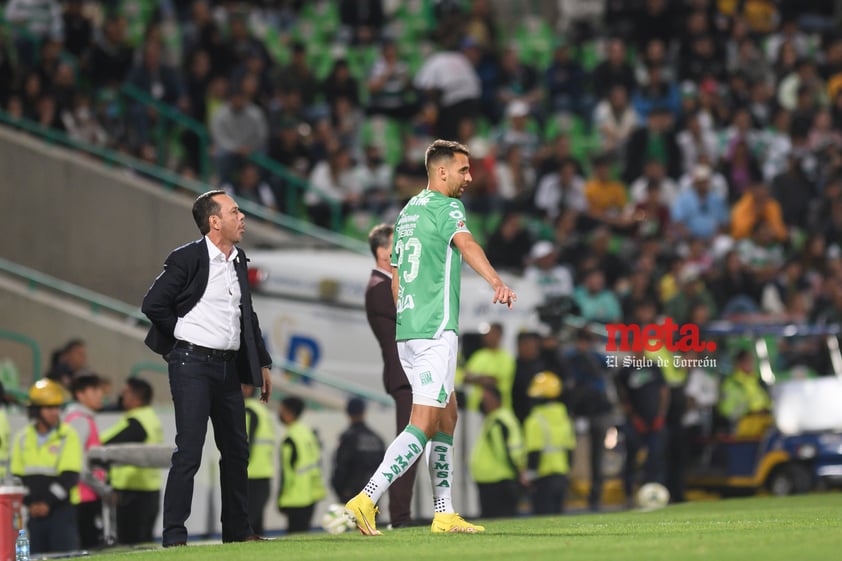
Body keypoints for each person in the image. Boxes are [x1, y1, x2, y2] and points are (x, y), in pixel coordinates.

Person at [345, 139, 517, 536]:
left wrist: (406, 317)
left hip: (410, 330)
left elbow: (397, 275)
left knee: (447, 415)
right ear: (441, 172)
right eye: (463, 170)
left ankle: (444, 511)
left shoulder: (407, 213)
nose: (469, 177)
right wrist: (496, 281)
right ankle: (368, 497)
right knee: (421, 424)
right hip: (435, 329)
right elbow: (467, 243)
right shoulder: (446, 207)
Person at [141, 189, 272, 547]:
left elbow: (248, 314)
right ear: (214, 221)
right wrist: (183, 332)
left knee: (236, 451)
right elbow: (153, 304)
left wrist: (261, 361)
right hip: (192, 364)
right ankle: (174, 537)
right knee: (190, 451)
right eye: (234, 211)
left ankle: (238, 531)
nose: (241, 217)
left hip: (228, 368)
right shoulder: (187, 257)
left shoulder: (238, 259)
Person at [364, 223, 418, 528]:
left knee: (415, 445)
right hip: (404, 375)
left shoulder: (385, 285)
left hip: (409, 375)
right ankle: (398, 515)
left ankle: (409, 512)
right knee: (407, 448)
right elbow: (410, 322)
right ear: (384, 252)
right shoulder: (380, 288)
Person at [11, 379, 82, 554]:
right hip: (33, 514)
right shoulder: (22, 438)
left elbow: (70, 476)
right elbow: (17, 479)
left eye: (57, 408)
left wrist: (46, 503)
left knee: (65, 557)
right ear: (36, 411)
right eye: (49, 408)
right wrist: (32, 504)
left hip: (61, 512)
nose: (55, 413)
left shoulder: (68, 435)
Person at [99, 378, 164, 545]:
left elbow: (110, 444)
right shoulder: (148, 417)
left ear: (137, 397)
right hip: (147, 490)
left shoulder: (137, 422)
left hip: (134, 493)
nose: (121, 395)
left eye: (126, 392)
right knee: (144, 543)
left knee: (131, 544)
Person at [616, 348, 670, 507]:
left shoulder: (654, 367)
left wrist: (660, 416)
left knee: (655, 459)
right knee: (631, 458)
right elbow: (623, 396)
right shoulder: (626, 371)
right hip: (635, 422)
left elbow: (664, 392)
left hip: (655, 421)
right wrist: (633, 417)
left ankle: (655, 494)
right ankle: (629, 495)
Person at [63, 374, 108, 548]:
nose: (100, 394)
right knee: (88, 548)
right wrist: (102, 489)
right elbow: (79, 464)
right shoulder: (79, 421)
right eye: (94, 390)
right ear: (80, 394)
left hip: (85, 494)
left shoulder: (82, 419)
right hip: (83, 495)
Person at [523, 372, 576, 515]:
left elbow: (534, 453)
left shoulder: (535, 420)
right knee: (558, 519)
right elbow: (570, 449)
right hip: (561, 476)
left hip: (542, 478)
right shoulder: (565, 417)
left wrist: (529, 477)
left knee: (542, 521)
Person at [469, 385, 526, 519]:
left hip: (498, 479)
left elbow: (509, 450)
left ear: (496, 399)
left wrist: (519, 473)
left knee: (499, 520)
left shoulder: (499, 420)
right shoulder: (495, 418)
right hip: (492, 479)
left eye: (485, 398)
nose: (482, 402)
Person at [277, 397, 326, 533]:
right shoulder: (307, 433)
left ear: (289, 413)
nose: (279, 414)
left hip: (295, 497)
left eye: (281, 410)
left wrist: (281, 499)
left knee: (293, 536)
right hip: (311, 494)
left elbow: (287, 473)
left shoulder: (290, 438)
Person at [331, 398, 386, 504]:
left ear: (348, 413)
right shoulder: (377, 438)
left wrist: (340, 491)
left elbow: (340, 468)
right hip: (373, 496)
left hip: (351, 496)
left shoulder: (348, 438)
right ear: (364, 412)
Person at [243, 384, 277, 536]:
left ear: (248, 389)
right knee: (257, 525)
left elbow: (245, 443)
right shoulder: (262, 409)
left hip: (250, 474)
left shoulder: (248, 410)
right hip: (263, 472)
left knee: (247, 524)